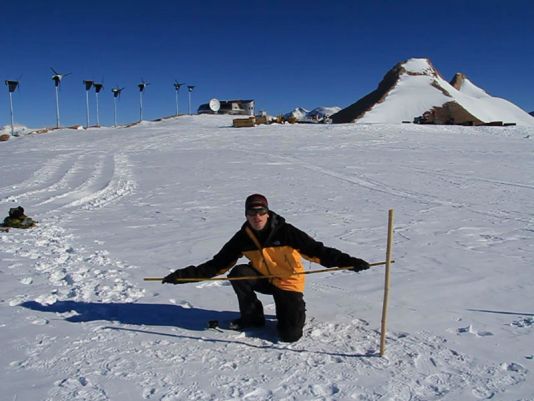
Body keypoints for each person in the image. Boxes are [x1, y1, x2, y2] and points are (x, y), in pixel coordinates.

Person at [162, 194, 370, 342]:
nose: (257, 217)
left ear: (268, 213)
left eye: (261, 212)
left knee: (289, 336)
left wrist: (348, 261)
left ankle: (294, 309)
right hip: (264, 278)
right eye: (252, 213)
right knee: (238, 274)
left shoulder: (286, 232)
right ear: (246, 215)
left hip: (288, 283)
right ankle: (252, 317)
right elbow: (217, 265)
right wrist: (182, 276)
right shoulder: (242, 237)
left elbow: (318, 251)